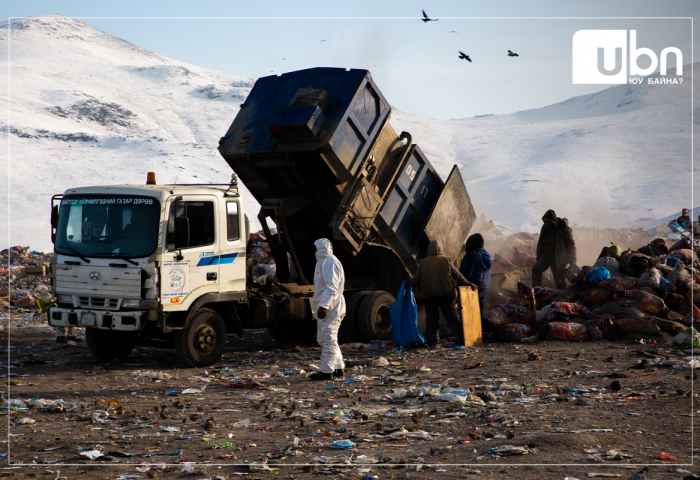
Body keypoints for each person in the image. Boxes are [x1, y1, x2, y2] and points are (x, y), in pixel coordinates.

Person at [407, 240, 477, 349]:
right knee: (452, 318)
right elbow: (458, 276)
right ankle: (459, 340)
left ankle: (434, 343)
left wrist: (408, 284)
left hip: (429, 296)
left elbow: (416, 279)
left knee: (431, 319)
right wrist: (468, 284)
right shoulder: (446, 261)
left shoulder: (423, 262)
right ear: (441, 249)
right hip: (446, 295)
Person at [309, 238, 346, 381]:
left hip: (331, 307)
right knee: (330, 338)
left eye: (316, 248)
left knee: (327, 339)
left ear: (321, 248)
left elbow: (332, 287)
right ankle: (338, 368)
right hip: (332, 306)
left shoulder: (329, 262)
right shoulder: (324, 262)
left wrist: (324, 306)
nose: (314, 251)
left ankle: (326, 371)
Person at [532, 209, 577, 290]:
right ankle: (535, 291)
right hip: (547, 256)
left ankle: (562, 299)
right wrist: (539, 257)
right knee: (536, 270)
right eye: (545, 221)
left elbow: (571, 244)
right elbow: (541, 242)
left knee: (560, 283)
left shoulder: (564, 228)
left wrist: (572, 260)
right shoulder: (545, 227)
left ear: (553, 221)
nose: (546, 223)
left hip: (560, 259)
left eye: (548, 221)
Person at [459, 233, 492, 316]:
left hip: (472, 287)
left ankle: (469, 329)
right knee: (478, 311)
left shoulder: (472, 255)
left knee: (468, 313)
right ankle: (478, 328)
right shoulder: (486, 254)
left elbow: (465, 275)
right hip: (483, 287)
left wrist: (459, 289)